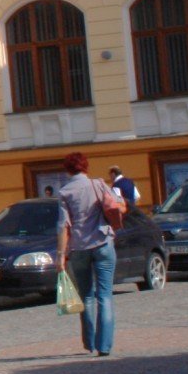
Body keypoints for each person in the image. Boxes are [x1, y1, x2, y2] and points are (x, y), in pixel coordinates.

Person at [55, 151, 122, 357]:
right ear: (86, 166)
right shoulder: (99, 184)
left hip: (79, 248)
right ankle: (104, 346)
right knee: (105, 295)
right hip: (103, 243)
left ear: (67, 169)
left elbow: (63, 226)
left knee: (86, 296)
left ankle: (90, 342)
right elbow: (117, 205)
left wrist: (60, 256)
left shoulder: (64, 192)